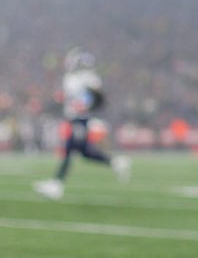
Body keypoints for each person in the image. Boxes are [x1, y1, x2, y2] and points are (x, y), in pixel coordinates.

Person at [33, 46, 130, 200]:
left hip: (80, 119)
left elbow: (99, 101)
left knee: (69, 149)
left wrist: (85, 106)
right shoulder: (78, 79)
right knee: (84, 152)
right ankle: (115, 162)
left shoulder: (86, 80)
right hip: (75, 118)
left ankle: (56, 185)